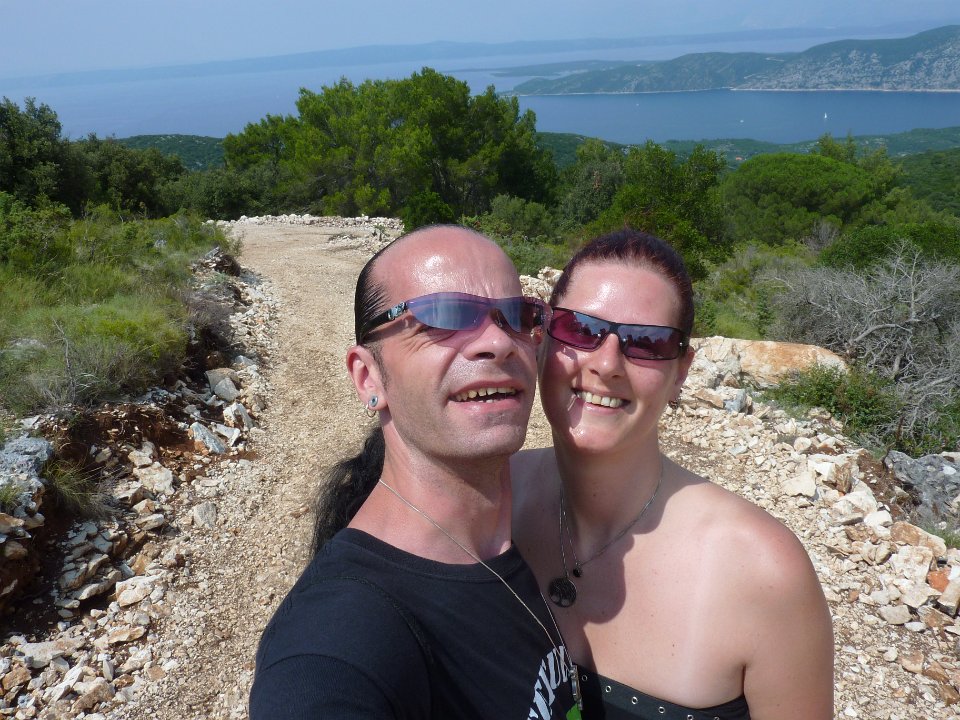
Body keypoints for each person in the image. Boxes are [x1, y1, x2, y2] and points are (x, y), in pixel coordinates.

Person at [250, 225, 582, 719]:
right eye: (444, 316)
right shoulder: (334, 644)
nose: (499, 342)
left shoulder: (530, 541)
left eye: (517, 316)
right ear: (369, 378)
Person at [510, 228, 834, 720]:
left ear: (681, 371)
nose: (607, 363)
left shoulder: (763, 574)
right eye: (580, 328)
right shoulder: (494, 500)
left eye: (646, 342)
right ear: (543, 340)